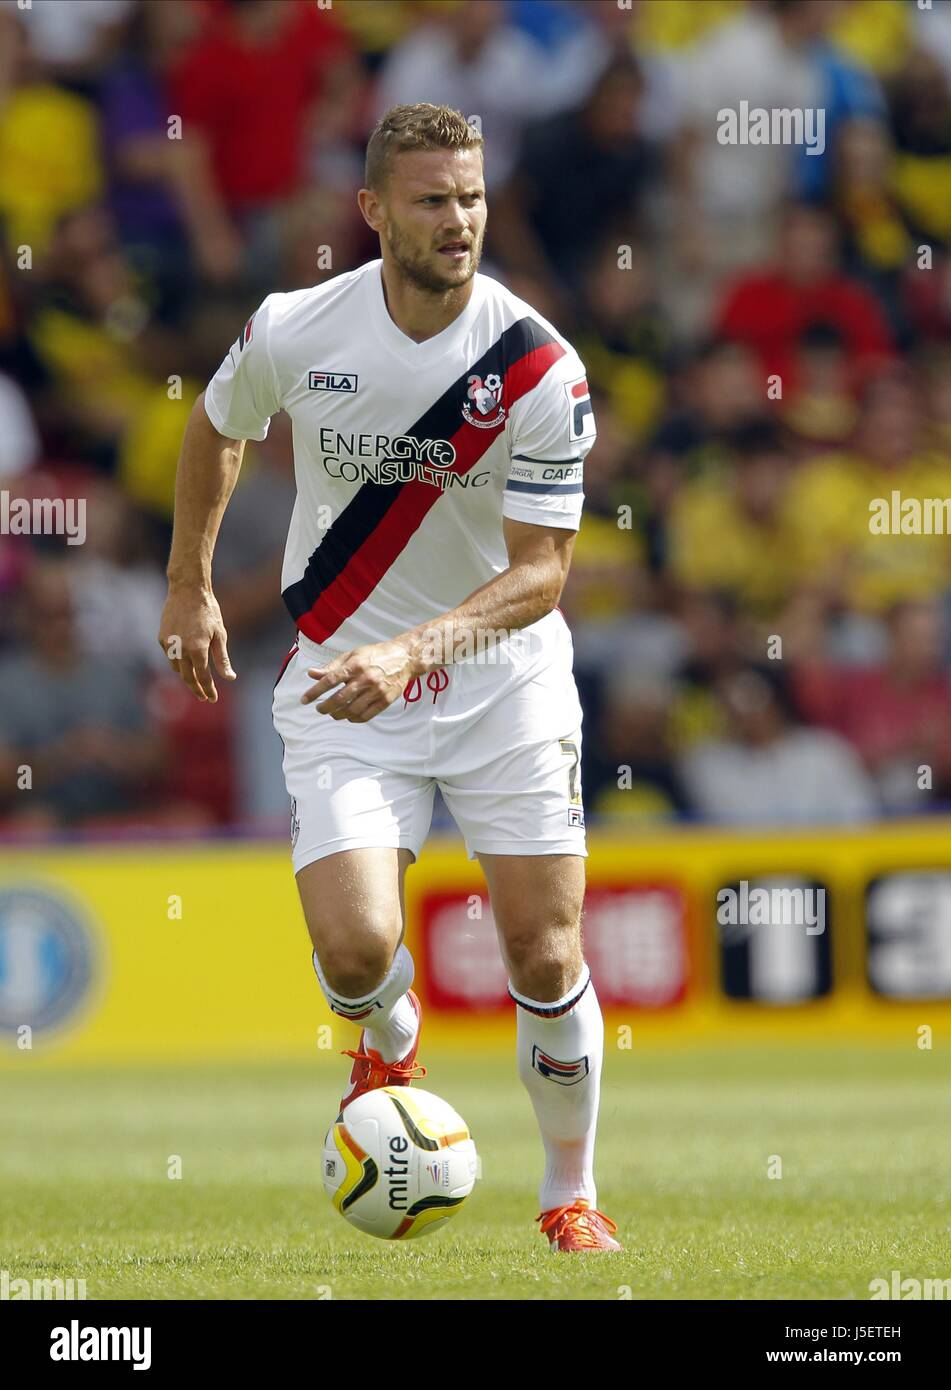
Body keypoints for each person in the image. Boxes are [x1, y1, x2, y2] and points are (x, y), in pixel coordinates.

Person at [158, 105, 618, 1252]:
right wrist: (189, 584)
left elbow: (544, 573)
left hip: (501, 684)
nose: (457, 220)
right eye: (430, 200)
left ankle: (570, 1194)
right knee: (356, 950)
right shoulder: (298, 326)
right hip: (339, 685)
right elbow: (215, 426)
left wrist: (418, 649)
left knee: (545, 952)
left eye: (470, 197)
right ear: (372, 211)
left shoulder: (536, 366)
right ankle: (389, 1038)